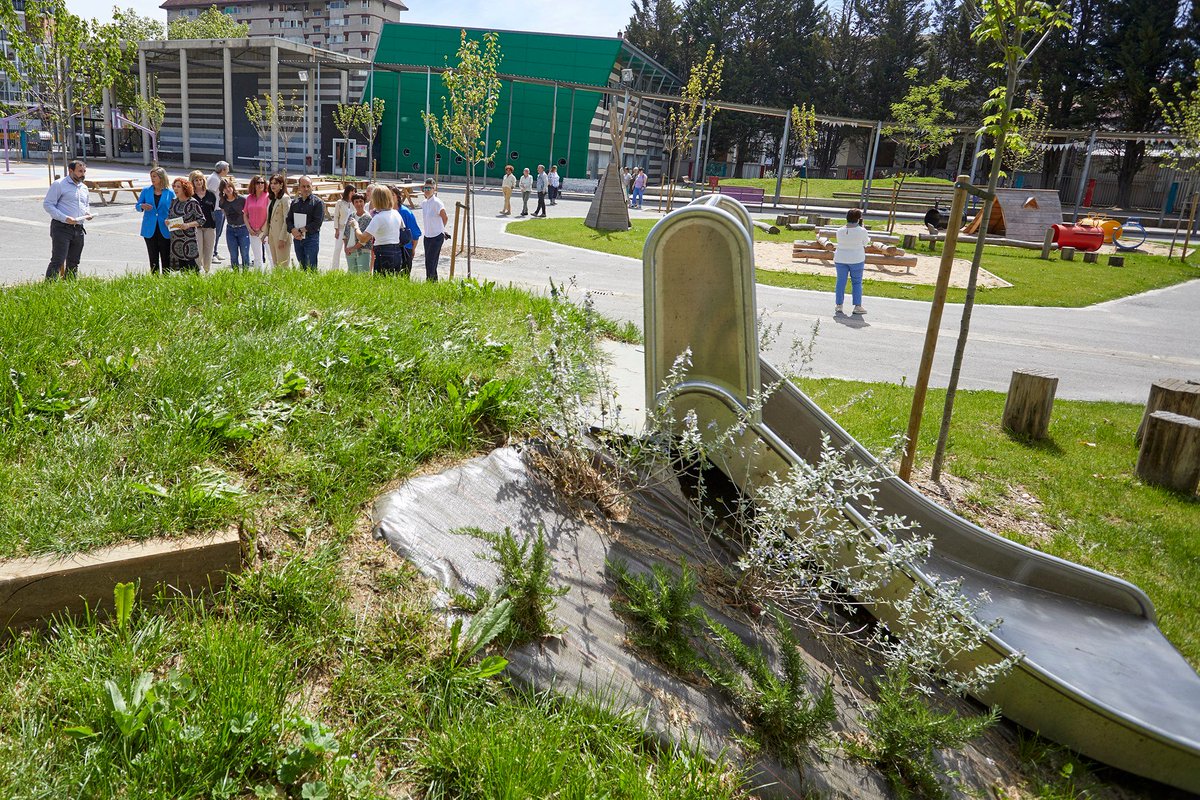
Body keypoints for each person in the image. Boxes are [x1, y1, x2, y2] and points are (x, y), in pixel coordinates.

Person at [42, 158, 93, 280]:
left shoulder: (84, 188)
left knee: (74, 261)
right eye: (80, 171)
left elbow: (85, 204)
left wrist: (87, 213)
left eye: (84, 171)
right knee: (58, 260)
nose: (83, 174)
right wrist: (65, 218)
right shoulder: (59, 184)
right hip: (61, 228)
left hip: (79, 229)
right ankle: (49, 288)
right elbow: (48, 204)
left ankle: (70, 285)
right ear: (71, 170)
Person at [352, 185, 407, 276]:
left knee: (381, 283)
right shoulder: (396, 213)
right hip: (397, 251)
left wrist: (356, 227)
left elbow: (363, 239)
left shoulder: (378, 217)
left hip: (383, 252)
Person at [833, 208, 871, 316]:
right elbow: (865, 243)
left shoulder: (840, 230)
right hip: (856, 259)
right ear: (858, 219)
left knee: (840, 282)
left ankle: (839, 305)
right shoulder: (862, 230)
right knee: (857, 282)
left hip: (840, 258)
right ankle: (857, 306)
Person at [137, 166, 173, 276]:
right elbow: (137, 206)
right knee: (153, 256)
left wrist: (170, 219)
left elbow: (174, 209)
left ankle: (166, 278)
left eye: (154, 176)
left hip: (164, 228)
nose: (152, 179)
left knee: (165, 255)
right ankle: (155, 278)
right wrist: (142, 206)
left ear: (161, 177)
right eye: (151, 176)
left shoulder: (170, 192)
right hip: (149, 228)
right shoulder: (146, 191)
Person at [287, 175, 325, 271]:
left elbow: (317, 222)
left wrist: (301, 230)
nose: (306, 189)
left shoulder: (317, 203)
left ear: (312, 186)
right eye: (303, 186)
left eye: (308, 186)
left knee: (311, 267)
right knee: (302, 266)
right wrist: (293, 230)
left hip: (311, 238)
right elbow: (288, 219)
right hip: (298, 238)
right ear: (299, 187)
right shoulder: (295, 202)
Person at [167, 177, 204, 272]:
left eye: (178, 186)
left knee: (191, 268)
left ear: (185, 189)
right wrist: (167, 220)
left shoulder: (192, 202)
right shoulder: (174, 201)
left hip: (188, 240)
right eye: (174, 186)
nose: (175, 188)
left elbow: (201, 220)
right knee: (181, 268)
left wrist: (188, 225)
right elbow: (169, 216)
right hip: (176, 240)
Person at [389, 185, 423, 276]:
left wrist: (413, 249)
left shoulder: (405, 212)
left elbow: (415, 234)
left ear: (398, 197)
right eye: (387, 194)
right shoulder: (384, 211)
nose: (389, 197)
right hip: (389, 249)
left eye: (392, 195)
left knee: (403, 277)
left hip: (404, 250)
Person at [420, 179, 448, 282]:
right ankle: (433, 282)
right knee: (428, 261)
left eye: (429, 188)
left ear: (434, 189)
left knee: (431, 261)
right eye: (425, 188)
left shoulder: (437, 202)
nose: (426, 190)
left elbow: (445, 217)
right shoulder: (424, 203)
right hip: (427, 236)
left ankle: (430, 282)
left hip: (436, 236)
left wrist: (441, 229)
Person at [190, 170, 218, 274]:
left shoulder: (210, 194)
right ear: (192, 182)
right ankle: (198, 270)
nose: (199, 182)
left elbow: (213, 208)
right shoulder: (191, 195)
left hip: (209, 225)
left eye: (200, 180)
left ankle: (207, 270)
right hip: (196, 226)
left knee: (209, 250)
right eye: (196, 180)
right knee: (198, 250)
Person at [220, 179, 250, 269]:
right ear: (222, 190)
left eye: (229, 186)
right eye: (225, 188)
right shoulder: (222, 202)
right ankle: (235, 275)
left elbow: (248, 214)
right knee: (233, 255)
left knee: (245, 253)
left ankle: (246, 275)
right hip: (230, 230)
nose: (228, 189)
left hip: (243, 229)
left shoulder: (241, 199)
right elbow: (224, 214)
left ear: (232, 187)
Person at [243, 175, 270, 269]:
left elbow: (269, 216)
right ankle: (259, 278)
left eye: (262, 182)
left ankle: (275, 277)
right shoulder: (249, 198)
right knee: (257, 257)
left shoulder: (268, 197)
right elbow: (245, 214)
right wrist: (249, 229)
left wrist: (262, 229)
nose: (260, 184)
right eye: (257, 183)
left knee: (271, 256)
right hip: (253, 232)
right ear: (253, 185)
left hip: (266, 232)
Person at [206, 161, 231, 262]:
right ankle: (211, 254)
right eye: (227, 168)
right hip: (215, 209)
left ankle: (215, 252)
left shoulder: (219, 178)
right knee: (215, 232)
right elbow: (210, 195)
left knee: (219, 232)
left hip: (220, 209)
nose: (228, 170)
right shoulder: (214, 179)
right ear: (223, 170)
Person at [343, 192, 372, 274]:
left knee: (363, 276)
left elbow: (364, 239)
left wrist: (353, 249)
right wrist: (346, 248)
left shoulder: (367, 217)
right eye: (356, 202)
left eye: (361, 201)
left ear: (364, 202)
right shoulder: (351, 215)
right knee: (352, 277)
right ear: (353, 203)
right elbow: (345, 234)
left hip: (362, 251)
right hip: (349, 251)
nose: (359, 204)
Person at [266, 173, 291, 268]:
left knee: (283, 265)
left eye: (275, 183)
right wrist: (265, 234)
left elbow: (287, 220)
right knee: (275, 264)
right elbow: (269, 218)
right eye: (271, 183)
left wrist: (282, 238)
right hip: (272, 235)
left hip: (281, 236)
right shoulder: (272, 198)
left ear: (281, 185)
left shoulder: (285, 198)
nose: (272, 185)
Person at [330, 184, 355, 271]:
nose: (353, 193)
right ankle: (334, 269)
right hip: (341, 228)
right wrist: (336, 229)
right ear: (348, 191)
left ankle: (351, 269)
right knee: (337, 249)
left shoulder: (354, 203)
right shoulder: (339, 203)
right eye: (352, 191)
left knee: (349, 249)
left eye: (354, 191)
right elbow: (336, 216)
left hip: (350, 229)